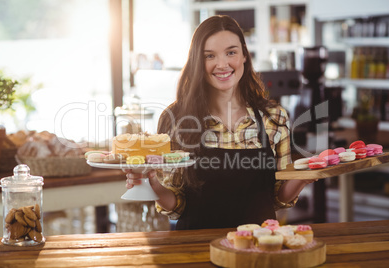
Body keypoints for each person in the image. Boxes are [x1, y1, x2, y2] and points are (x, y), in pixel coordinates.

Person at [125, 15, 316, 230]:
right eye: (210, 56)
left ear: (244, 54)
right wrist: (155, 187)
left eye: (231, 52)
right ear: (198, 60)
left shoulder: (274, 118)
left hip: (258, 247)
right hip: (196, 247)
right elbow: (176, 207)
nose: (222, 64)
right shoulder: (176, 118)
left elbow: (278, 198)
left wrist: (304, 176)